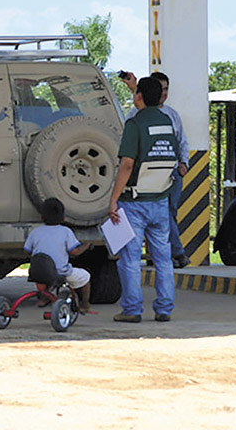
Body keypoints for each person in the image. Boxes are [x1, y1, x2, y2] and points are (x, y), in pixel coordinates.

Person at [108, 76, 180, 323]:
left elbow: (127, 164)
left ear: (138, 96)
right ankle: (164, 308)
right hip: (160, 200)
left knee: (130, 258)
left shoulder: (134, 124)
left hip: (134, 202)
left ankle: (132, 310)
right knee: (163, 258)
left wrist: (113, 200)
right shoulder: (167, 122)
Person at [120, 71, 190, 268]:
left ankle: (168, 255)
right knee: (163, 215)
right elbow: (128, 161)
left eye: (166, 89)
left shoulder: (172, 116)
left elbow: (182, 142)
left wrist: (183, 163)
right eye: (160, 89)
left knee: (169, 213)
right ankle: (174, 253)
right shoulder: (134, 118)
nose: (163, 93)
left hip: (171, 174)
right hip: (144, 180)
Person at [24, 197, 92, 313]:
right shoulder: (65, 231)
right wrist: (86, 245)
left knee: (45, 273)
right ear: (63, 217)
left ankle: (44, 298)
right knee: (85, 277)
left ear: (41, 217)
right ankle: (85, 304)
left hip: (37, 272)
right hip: (60, 272)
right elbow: (74, 252)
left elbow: (27, 250)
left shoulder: (36, 232)